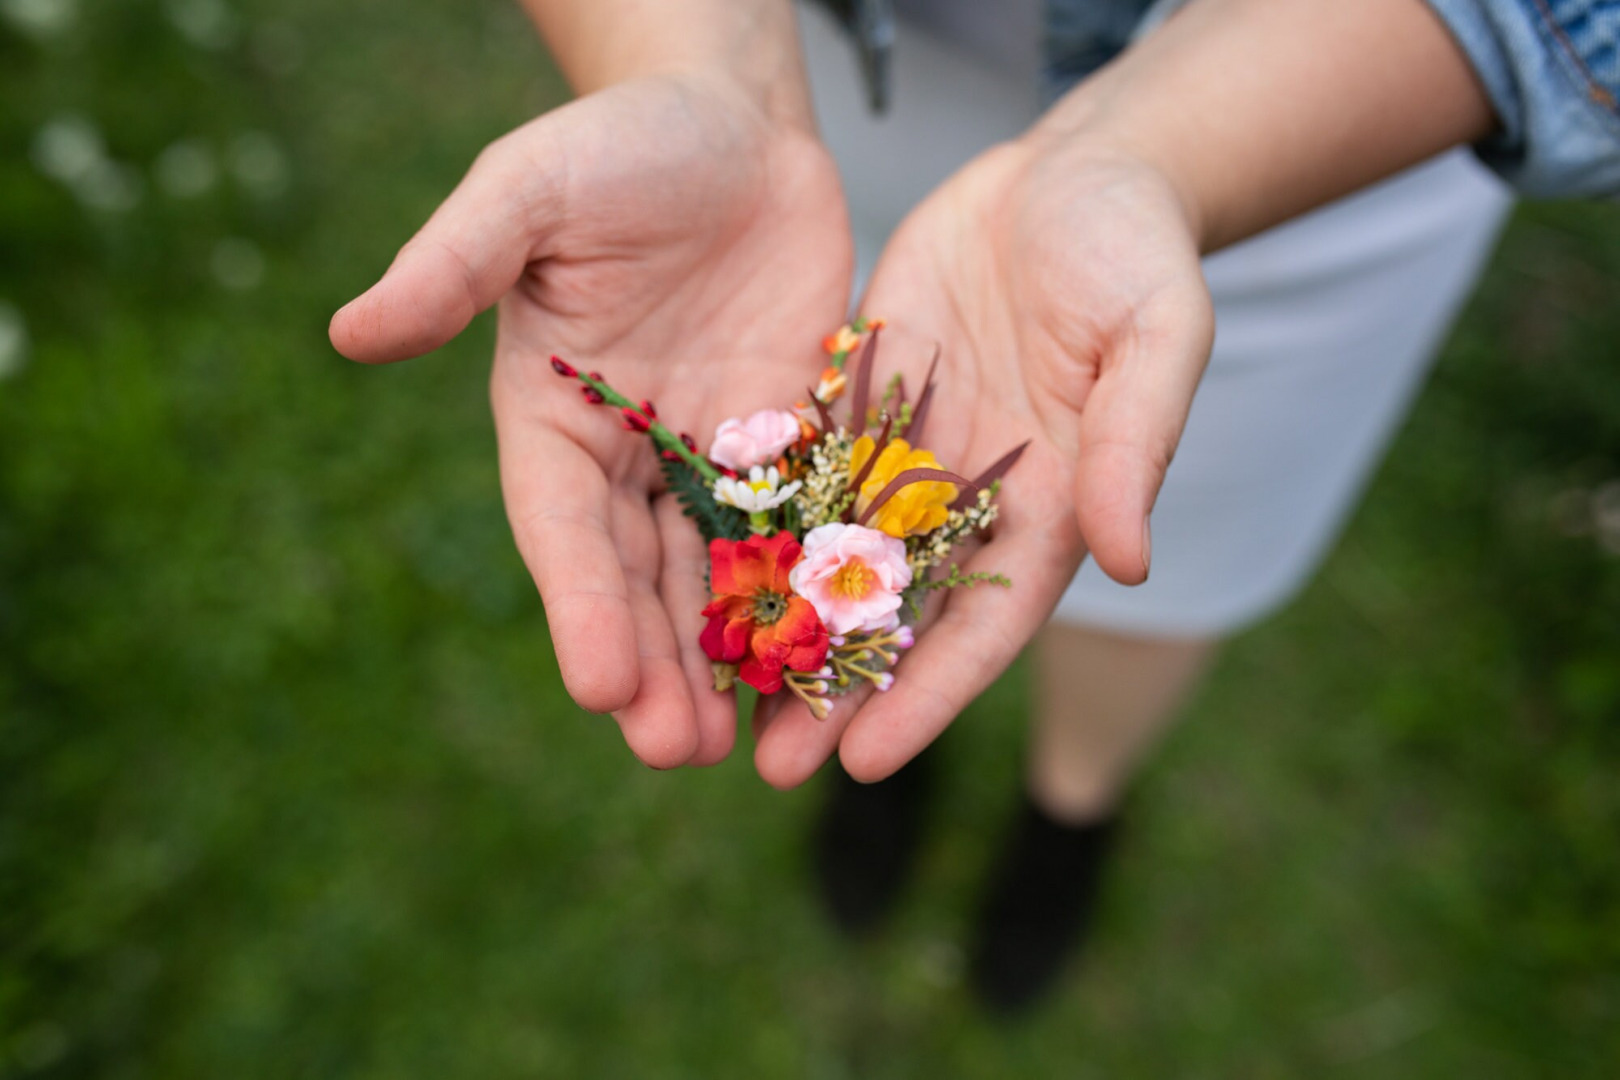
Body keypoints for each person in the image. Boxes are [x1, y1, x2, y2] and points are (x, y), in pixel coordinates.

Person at [330, 0, 1620, 1011]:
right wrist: (695, 68)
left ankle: (1072, 806)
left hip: (1328, 104)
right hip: (822, 70)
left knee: (1167, 545)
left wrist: (1144, 159)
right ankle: (893, 746)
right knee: (981, 540)